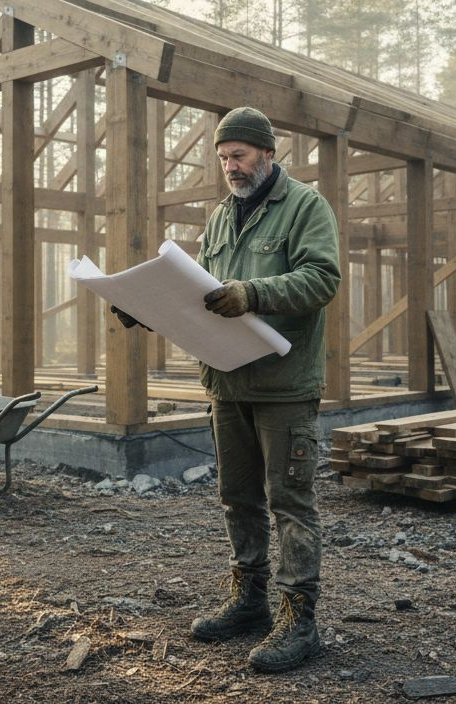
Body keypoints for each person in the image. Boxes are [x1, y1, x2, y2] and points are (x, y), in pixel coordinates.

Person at [118, 106, 341, 673]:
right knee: (237, 497)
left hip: (283, 385)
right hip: (227, 378)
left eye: (238, 155)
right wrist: (148, 308)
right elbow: (204, 296)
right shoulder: (220, 218)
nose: (230, 167)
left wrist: (254, 293)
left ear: (267, 153)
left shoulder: (305, 207)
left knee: (290, 500)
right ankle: (249, 601)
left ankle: (300, 619)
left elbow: (322, 279)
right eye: (222, 158)